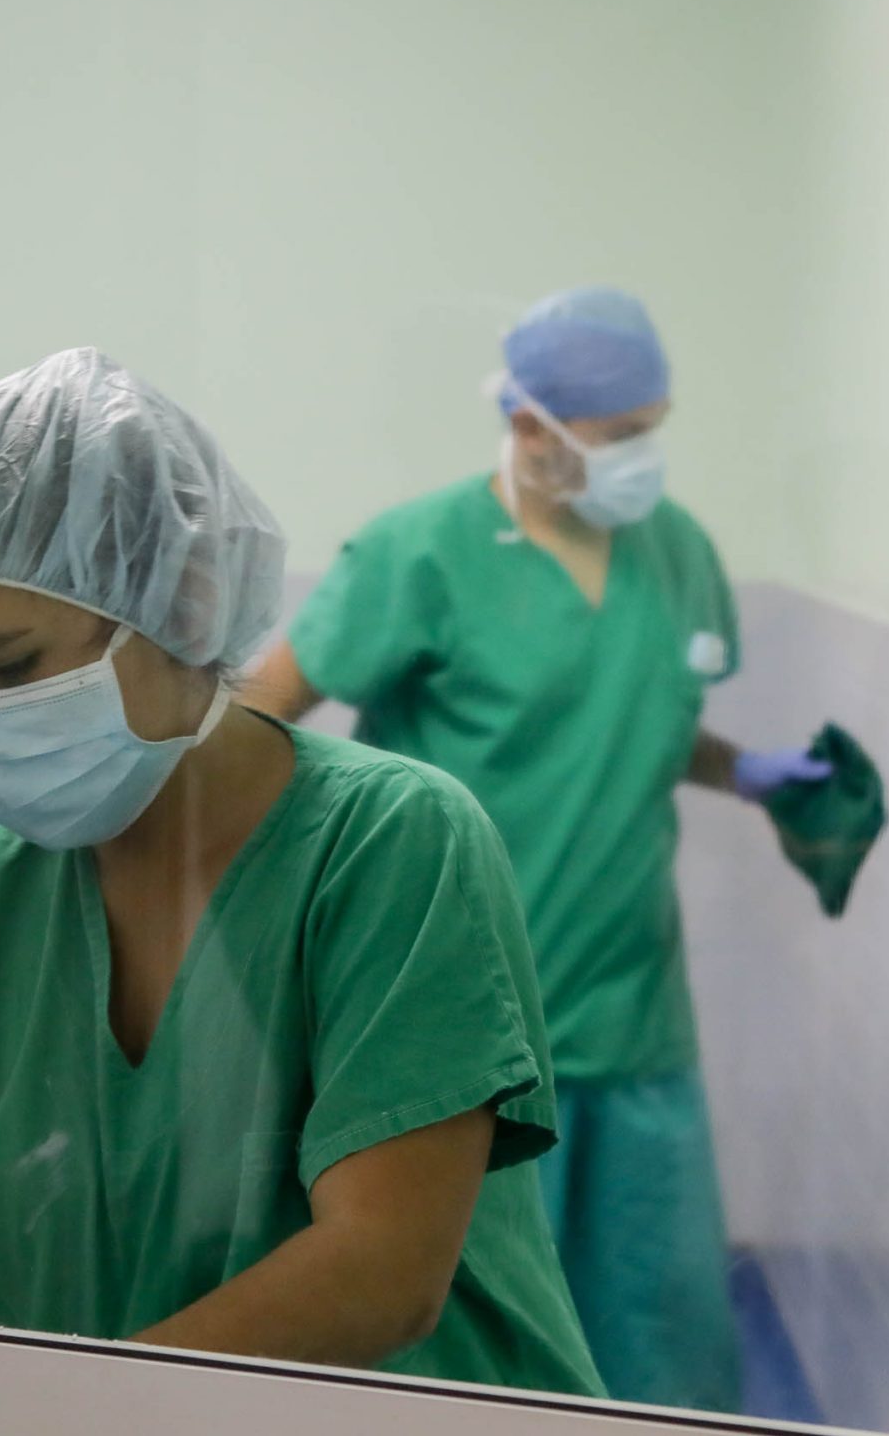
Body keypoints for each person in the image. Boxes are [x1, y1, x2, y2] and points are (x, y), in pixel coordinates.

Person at [0, 348, 602, 1396]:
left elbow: (379, 1272)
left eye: (12, 667)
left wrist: (64, 1411)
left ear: (182, 603)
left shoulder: (385, 844)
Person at [245, 286, 833, 1413]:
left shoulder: (676, 549)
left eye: (655, 428)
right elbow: (256, 717)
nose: (644, 456)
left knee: (651, 1339)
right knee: (467, 1349)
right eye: (621, 435)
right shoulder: (421, 552)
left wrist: (744, 772)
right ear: (530, 426)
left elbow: (635, 718)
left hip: (628, 1015)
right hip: (454, 1032)